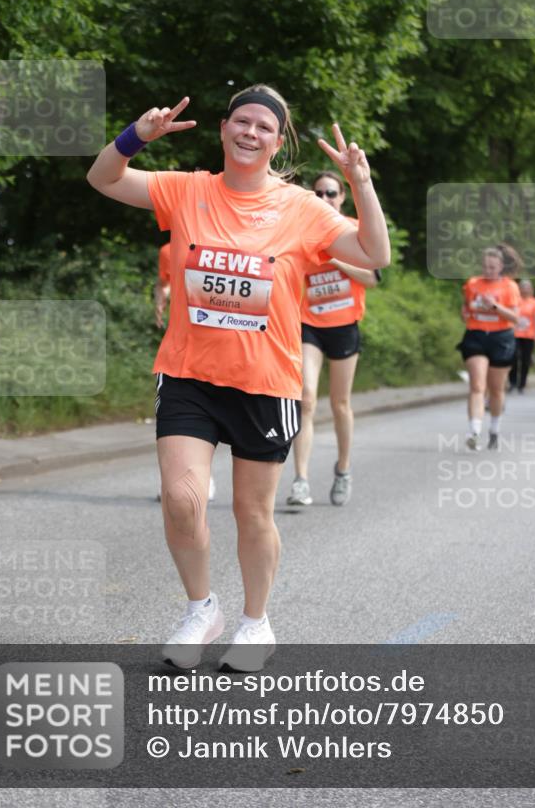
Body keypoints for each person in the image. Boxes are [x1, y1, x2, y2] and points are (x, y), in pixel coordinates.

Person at [86, 85, 390, 670]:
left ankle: (256, 622)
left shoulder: (302, 208)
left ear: (278, 142)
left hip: (265, 382)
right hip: (187, 374)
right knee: (182, 498)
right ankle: (202, 608)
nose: (251, 132)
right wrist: (135, 137)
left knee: (252, 514)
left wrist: (362, 183)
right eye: (242, 122)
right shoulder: (187, 190)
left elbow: (374, 253)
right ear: (224, 128)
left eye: (264, 127)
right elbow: (104, 178)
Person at [287, 171, 380, 508]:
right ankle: (300, 480)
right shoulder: (302, 231)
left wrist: (337, 258)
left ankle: (343, 469)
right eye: (318, 194)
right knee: (306, 398)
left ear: (342, 198)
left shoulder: (354, 229)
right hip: (308, 323)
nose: (324, 199)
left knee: (340, 404)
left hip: (344, 325)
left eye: (331, 193)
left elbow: (372, 277)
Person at [154, 241, 215, 502]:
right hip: (180, 348)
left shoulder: (219, 246)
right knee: (176, 419)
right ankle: (194, 477)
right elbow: (164, 282)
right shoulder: (169, 250)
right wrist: (160, 302)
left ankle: (202, 475)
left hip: (217, 345)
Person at [459, 246, 521, 451]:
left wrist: (494, 306)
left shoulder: (510, 287)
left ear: (501, 267)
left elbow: (515, 318)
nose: (488, 270)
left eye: (492, 267)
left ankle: (494, 429)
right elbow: (466, 308)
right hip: (476, 336)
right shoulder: (472, 284)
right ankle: (474, 431)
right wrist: (467, 314)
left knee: (496, 389)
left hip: (501, 338)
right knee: (477, 385)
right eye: (485, 266)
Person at [508, 280, 535, 393]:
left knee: (525, 360)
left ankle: (522, 384)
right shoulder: (515, 300)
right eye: (523, 287)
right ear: (519, 289)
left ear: (531, 289)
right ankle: (512, 382)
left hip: (529, 335)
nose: (525, 289)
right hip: (515, 333)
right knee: (513, 357)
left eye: (527, 287)